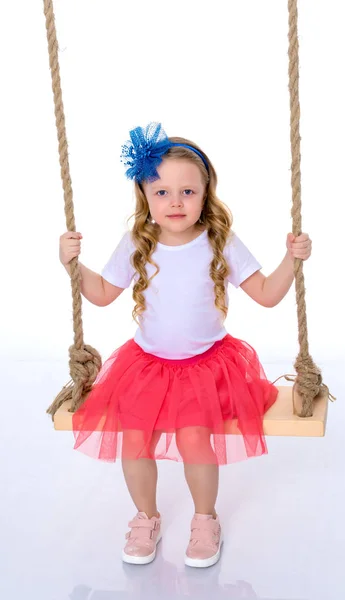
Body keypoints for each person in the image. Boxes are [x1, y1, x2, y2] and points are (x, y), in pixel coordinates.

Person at [59, 122, 312, 569]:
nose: (175, 202)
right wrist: (73, 265)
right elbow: (100, 295)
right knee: (134, 441)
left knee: (195, 439)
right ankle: (146, 518)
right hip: (147, 366)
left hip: (206, 368)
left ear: (205, 194)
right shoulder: (139, 241)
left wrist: (291, 260)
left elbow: (268, 294)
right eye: (161, 192)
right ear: (145, 197)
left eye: (187, 192)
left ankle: (204, 519)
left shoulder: (220, 241)